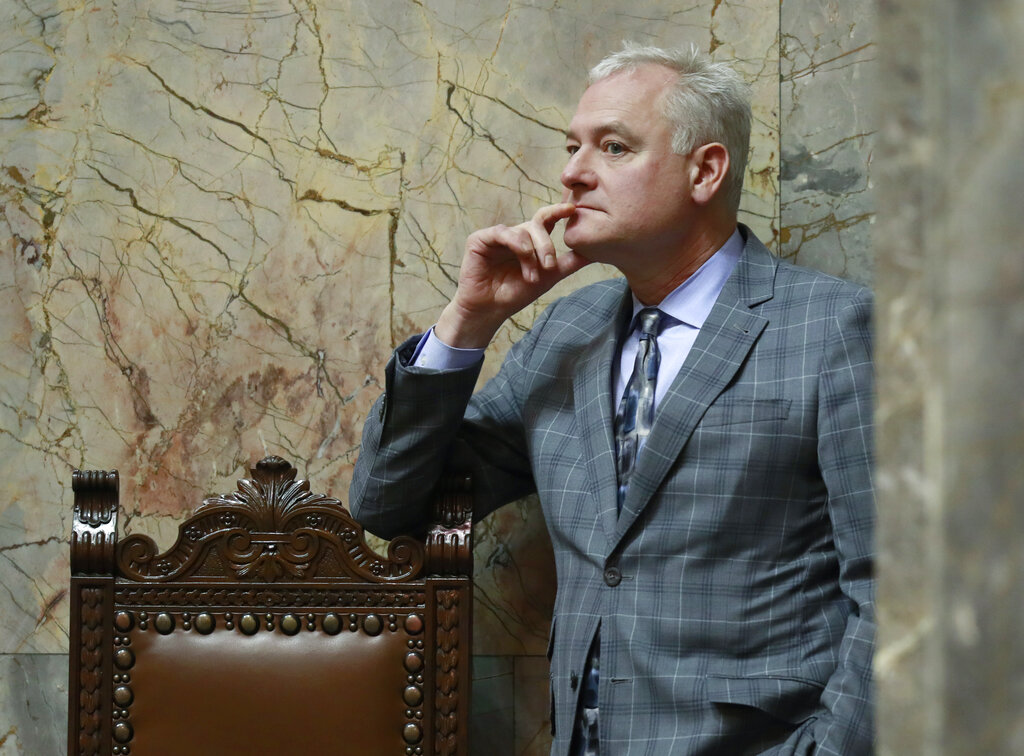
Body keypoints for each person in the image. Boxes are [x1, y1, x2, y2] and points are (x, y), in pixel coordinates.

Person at [351, 42, 874, 756]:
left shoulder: (834, 327)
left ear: (706, 170)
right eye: (572, 146)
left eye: (614, 147)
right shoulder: (569, 330)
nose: (572, 172)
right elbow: (390, 504)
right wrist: (467, 322)